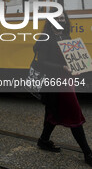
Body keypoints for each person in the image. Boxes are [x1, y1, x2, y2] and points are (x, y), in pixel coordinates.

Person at [35, 10, 92, 166]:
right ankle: (88, 153)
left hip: (66, 80)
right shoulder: (45, 38)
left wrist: (82, 66)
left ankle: (43, 140)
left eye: (62, 18)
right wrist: (62, 67)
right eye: (57, 18)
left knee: (53, 111)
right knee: (74, 114)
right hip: (55, 81)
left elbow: (73, 58)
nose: (61, 20)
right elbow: (42, 62)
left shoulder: (66, 36)